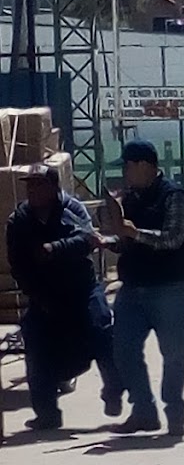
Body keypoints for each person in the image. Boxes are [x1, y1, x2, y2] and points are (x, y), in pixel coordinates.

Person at [5, 163, 119, 432]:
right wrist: (37, 294)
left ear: (54, 187)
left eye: (39, 185)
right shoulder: (19, 220)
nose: (33, 190)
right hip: (46, 296)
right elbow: (18, 265)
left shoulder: (72, 209)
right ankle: (47, 414)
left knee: (102, 327)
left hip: (82, 289)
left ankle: (113, 391)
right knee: (34, 337)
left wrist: (55, 248)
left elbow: (88, 240)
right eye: (29, 185)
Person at [105, 139, 184, 438]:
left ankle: (175, 415)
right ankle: (143, 411)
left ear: (144, 165)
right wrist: (108, 241)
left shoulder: (174, 196)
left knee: (173, 354)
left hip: (168, 288)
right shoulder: (130, 199)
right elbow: (127, 241)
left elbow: (173, 238)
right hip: (133, 288)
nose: (125, 173)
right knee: (123, 349)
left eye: (128, 166)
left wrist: (135, 233)